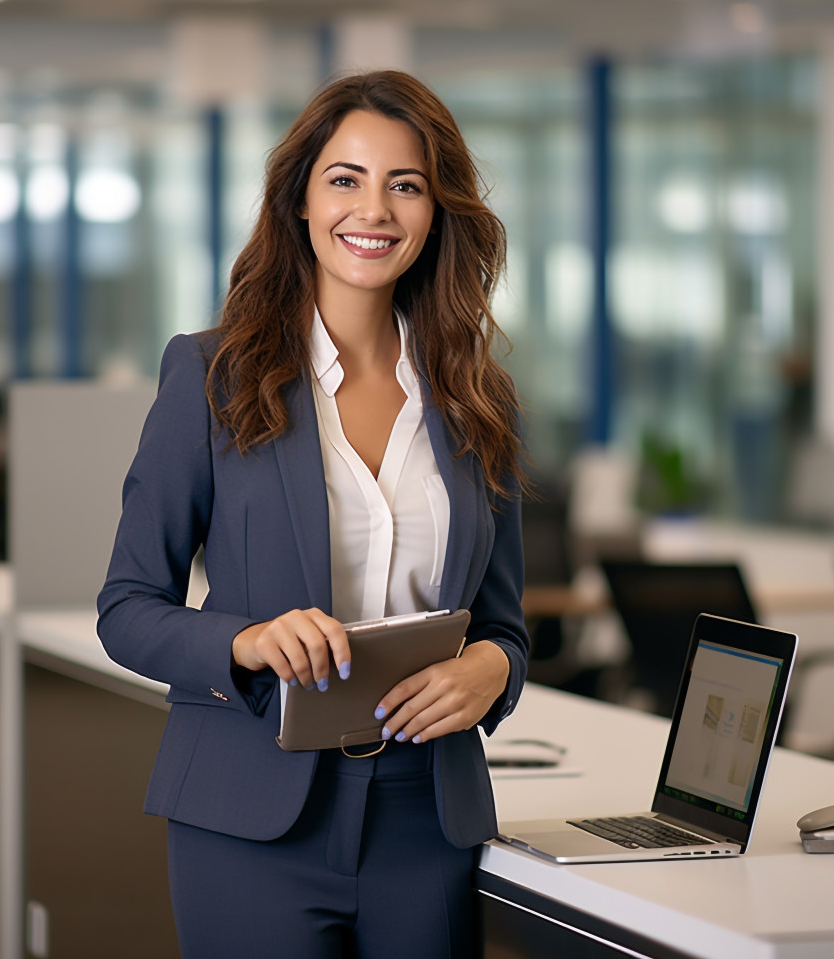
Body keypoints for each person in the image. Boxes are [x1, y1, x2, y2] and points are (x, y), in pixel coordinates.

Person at [97, 70, 529, 959]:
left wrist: (493, 670)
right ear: (299, 198)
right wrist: (246, 642)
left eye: (404, 185)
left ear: (436, 210)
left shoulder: (479, 401)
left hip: (426, 817)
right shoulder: (212, 377)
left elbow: (506, 627)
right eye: (346, 179)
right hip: (250, 815)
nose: (373, 210)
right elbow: (128, 608)